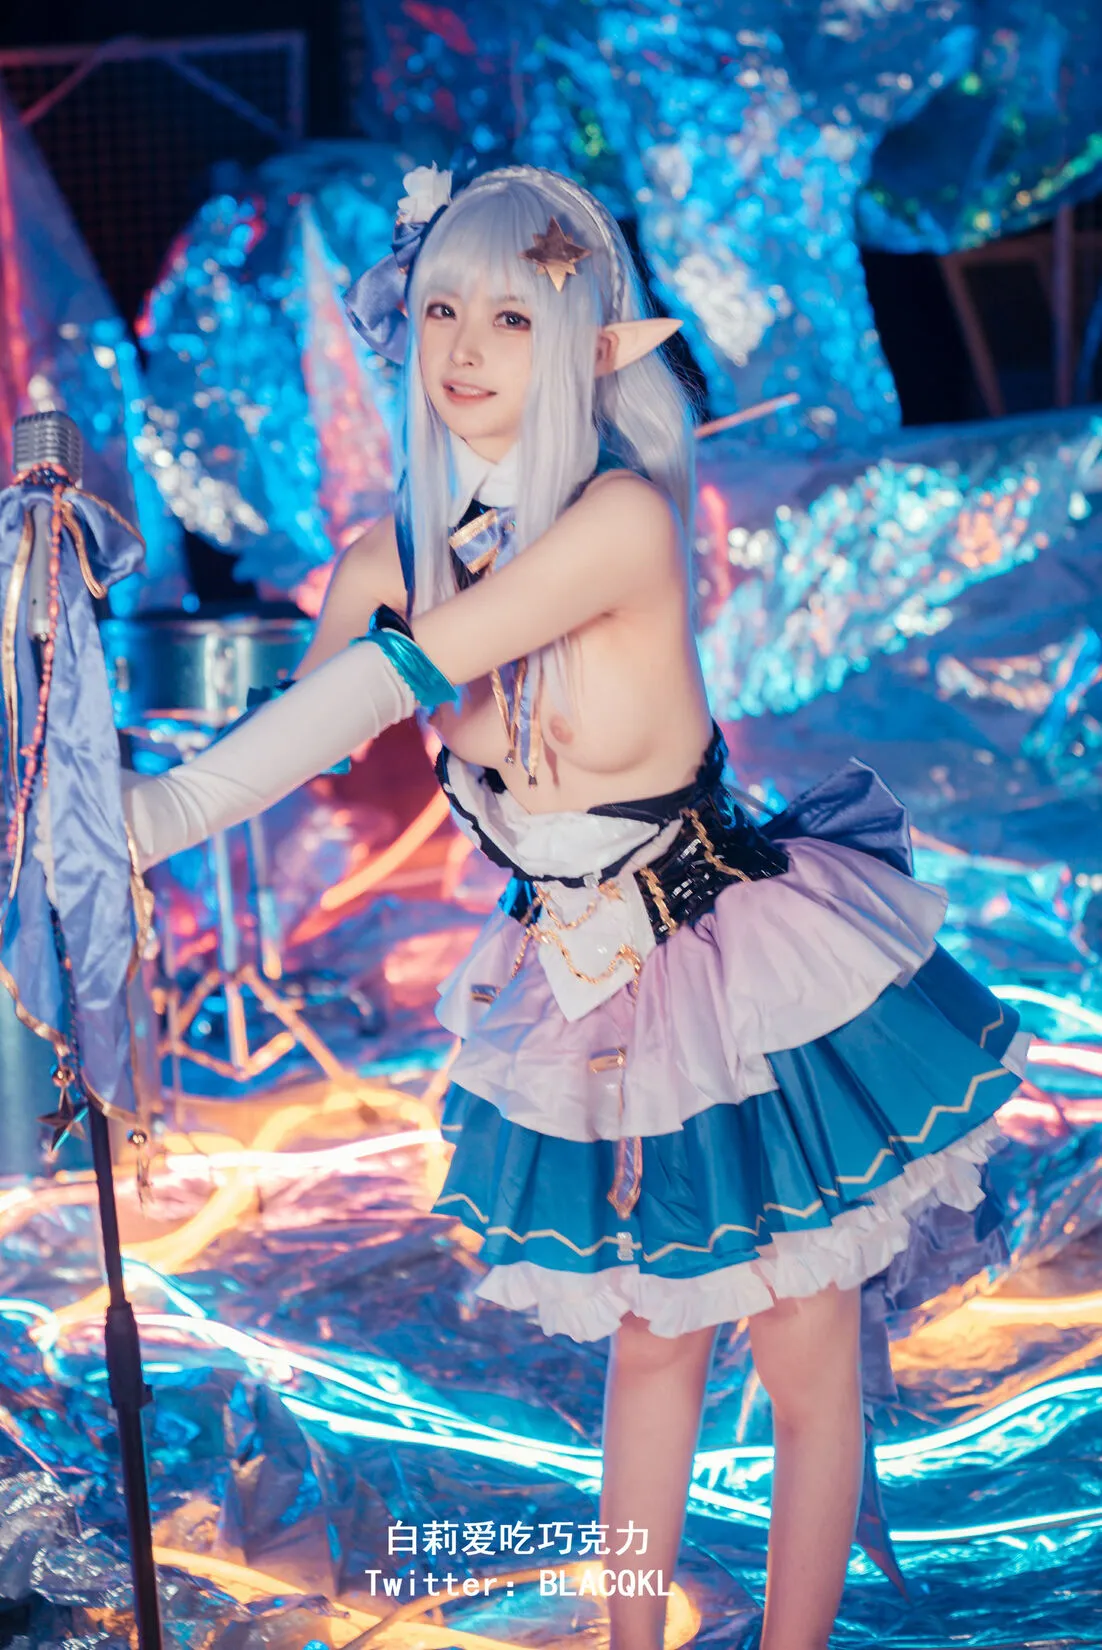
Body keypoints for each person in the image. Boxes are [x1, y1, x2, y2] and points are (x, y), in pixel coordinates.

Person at [119, 165, 1027, 1650]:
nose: (466, 350)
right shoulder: (388, 559)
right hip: (581, 972)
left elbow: (397, 679)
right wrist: (105, 788)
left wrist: (154, 816)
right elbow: (307, 731)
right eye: (440, 313)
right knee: (653, 1337)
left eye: (511, 318)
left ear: (589, 347)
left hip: (732, 966)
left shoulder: (615, 520)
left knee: (801, 1349)